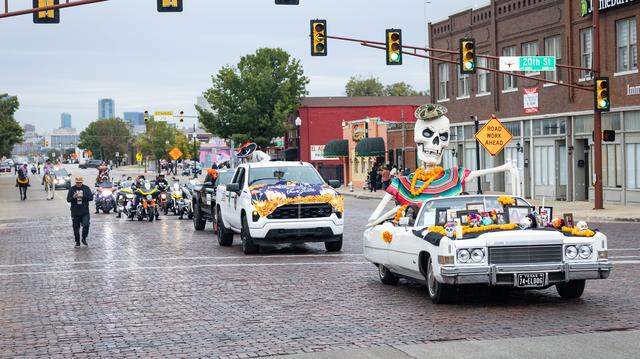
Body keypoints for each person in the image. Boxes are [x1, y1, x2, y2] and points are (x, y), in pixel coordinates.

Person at [67, 177, 94, 247]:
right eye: (77, 182)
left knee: (86, 224)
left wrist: (83, 196)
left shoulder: (86, 188)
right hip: (75, 211)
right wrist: (73, 197)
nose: (79, 184)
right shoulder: (72, 189)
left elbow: (91, 198)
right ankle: (77, 241)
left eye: (80, 182)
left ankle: (84, 238)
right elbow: (68, 199)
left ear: (82, 182)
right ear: (75, 182)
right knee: (76, 227)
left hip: (84, 211)